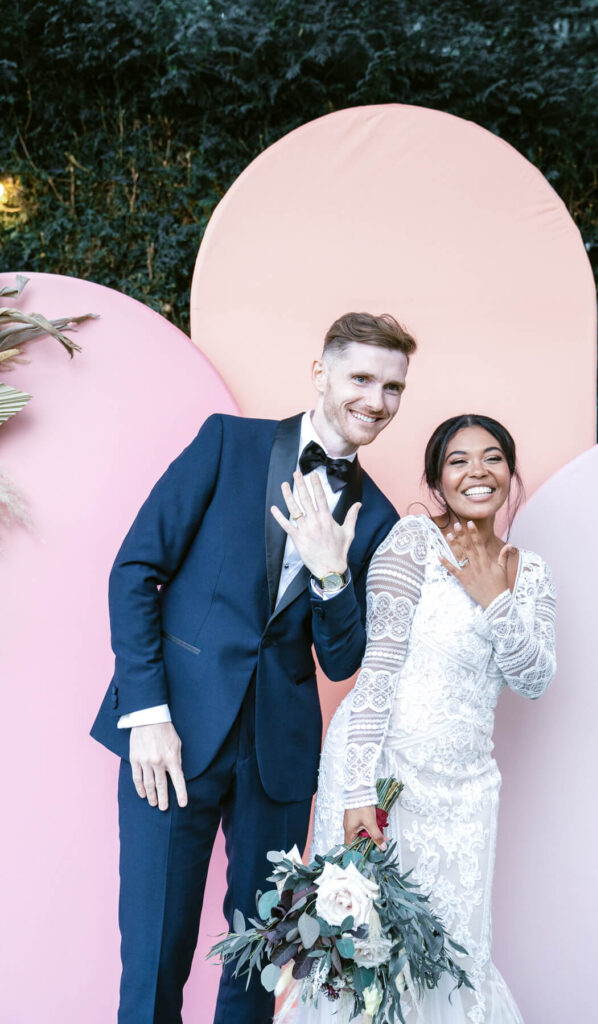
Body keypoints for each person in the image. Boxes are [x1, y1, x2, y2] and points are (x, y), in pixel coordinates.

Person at [89, 312, 418, 1024]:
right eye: (361, 378)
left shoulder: (380, 517)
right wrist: (145, 713)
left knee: (260, 961)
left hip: (279, 754)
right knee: (153, 956)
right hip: (171, 736)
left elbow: (342, 661)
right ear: (320, 373)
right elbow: (135, 568)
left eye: (393, 387)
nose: (376, 400)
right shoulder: (227, 444)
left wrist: (333, 576)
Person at [296, 414, 556, 1024]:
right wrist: (358, 790)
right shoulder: (413, 541)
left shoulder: (531, 571)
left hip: (467, 791)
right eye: (459, 460)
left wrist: (495, 596)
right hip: (385, 771)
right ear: (438, 480)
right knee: (364, 957)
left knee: (453, 958)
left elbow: (535, 679)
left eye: (492, 457)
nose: (477, 472)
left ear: (510, 473)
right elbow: (377, 670)